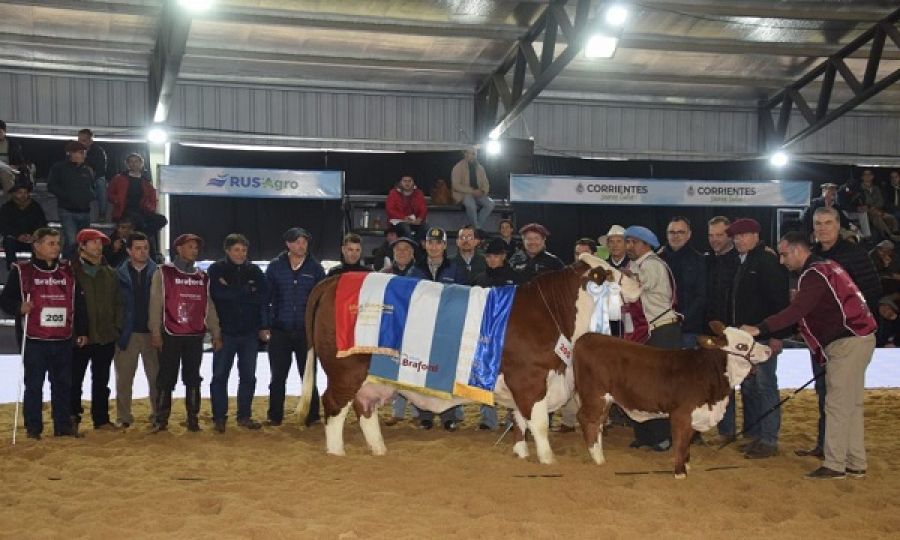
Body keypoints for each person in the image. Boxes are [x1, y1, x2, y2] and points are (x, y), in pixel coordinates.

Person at [742, 231, 877, 479]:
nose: (782, 260)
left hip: (846, 342)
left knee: (836, 405)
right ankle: (855, 461)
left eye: (784, 254)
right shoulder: (826, 267)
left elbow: (796, 311)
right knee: (850, 404)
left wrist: (759, 328)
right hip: (858, 338)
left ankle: (835, 464)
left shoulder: (814, 274)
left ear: (797, 250)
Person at [799, 206, 883, 458]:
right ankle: (825, 443)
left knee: (842, 398)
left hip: (848, 337)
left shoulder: (854, 253)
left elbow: (872, 290)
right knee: (823, 391)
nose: (823, 228)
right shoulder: (812, 255)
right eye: (818, 223)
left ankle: (837, 452)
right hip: (821, 337)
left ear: (838, 225)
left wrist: (854, 325)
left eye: (828, 223)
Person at [0, 228, 88, 439]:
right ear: (36, 246)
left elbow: (79, 302)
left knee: (63, 384)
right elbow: (5, 300)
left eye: (58, 243)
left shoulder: (68, 271)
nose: (56, 247)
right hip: (34, 339)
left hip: (63, 337)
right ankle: (33, 427)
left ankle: (62, 425)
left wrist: (83, 330)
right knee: (34, 385)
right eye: (51, 243)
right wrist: (19, 307)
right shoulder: (22, 272)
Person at [728, 218, 790, 459]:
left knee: (765, 386)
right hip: (747, 338)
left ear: (756, 235)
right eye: (736, 236)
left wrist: (777, 336)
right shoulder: (746, 261)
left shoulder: (766, 261)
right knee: (750, 385)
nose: (738, 240)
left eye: (743, 235)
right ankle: (755, 435)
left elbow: (780, 302)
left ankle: (768, 440)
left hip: (763, 337)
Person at [149, 233, 222, 433]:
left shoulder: (202, 277)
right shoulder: (163, 273)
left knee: (193, 377)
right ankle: (161, 419)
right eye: (190, 247)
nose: (194, 250)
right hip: (170, 334)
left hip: (194, 335)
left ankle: (193, 419)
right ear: (179, 249)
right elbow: (155, 304)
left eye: (196, 247)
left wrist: (216, 332)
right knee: (166, 377)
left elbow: (208, 307)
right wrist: (155, 331)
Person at [621, 225, 682, 451]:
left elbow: (635, 286)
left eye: (633, 242)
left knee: (659, 385)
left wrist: (616, 276)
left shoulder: (654, 265)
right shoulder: (634, 265)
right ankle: (645, 434)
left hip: (661, 330)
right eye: (627, 242)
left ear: (646, 244)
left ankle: (662, 436)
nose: (628, 246)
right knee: (640, 384)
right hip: (643, 331)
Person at [262, 227, 326, 427]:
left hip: (306, 332)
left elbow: (322, 301)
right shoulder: (275, 267)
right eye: (297, 242)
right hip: (280, 330)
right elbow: (265, 298)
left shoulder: (316, 268)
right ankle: (275, 416)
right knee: (277, 376)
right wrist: (264, 325)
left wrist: (317, 327)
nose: (301, 245)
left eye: (304, 242)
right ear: (288, 244)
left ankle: (312, 415)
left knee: (308, 375)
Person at [208, 234, 268, 433]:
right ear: (227, 250)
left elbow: (262, 298)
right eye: (236, 250)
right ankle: (219, 417)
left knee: (249, 376)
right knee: (220, 376)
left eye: (244, 250)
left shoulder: (255, 270)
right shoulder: (216, 269)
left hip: (249, 334)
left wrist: (232, 291)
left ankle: (244, 416)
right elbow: (217, 294)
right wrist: (247, 291)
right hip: (225, 333)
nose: (241, 254)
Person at [68, 228, 122, 432]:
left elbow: (118, 303)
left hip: (105, 335)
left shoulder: (110, 273)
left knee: (101, 380)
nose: (98, 246)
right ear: (82, 246)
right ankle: (72, 418)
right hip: (80, 336)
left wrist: (116, 327)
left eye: (100, 243)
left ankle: (101, 419)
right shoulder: (70, 272)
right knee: (74, 380)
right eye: (93, 242)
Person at [412, 226, 463, 430]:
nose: (434, 246)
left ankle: (448, 416)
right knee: (422, 370)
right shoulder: (415, 270)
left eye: (438, 243)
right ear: (425, 245)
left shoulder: (455, 269)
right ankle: (425, 415)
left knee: (446, 372)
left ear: (444, 246)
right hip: (422, 328)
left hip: (447, 329)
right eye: (430, 243)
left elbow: (463, 297)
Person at [473, 238, 521, 431]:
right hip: (485, 334)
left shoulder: (517, 278)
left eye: (496, 256)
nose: (492, 259)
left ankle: (513, 418)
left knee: (512, 376)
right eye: (489, 256)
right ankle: (488, 418)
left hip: (510, 333)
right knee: (485, 372)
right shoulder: (479, 279)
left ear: (504, 256)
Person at [113, 231, 159, 428]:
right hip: (127, 334)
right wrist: (117, 329)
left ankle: (158, 415)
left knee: (156, 379)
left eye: (146, 248)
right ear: (129, 251)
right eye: (138, 248)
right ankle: (124, 417)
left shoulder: (159, 273)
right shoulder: (117, 274)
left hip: (152, 334)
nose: (143, 252)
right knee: (124, 380)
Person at [705, 216, 742, 444]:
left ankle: (732, 431)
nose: (715, 240)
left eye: (719, 235)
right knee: (717, 380)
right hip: (711, 330)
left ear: (730, 236)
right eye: (711, 236)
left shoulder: (738, 262)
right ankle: (725, 429)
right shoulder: (708, 260)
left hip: (732, 331)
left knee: (732, 381)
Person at [382, 236, 426, 426]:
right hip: (392, 327)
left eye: (406, 249)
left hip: (415, 327)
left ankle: (417, 411)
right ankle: (397, 411)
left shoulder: (421, 275)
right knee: (394, 369)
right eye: (398, 249)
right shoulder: (384, 274)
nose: (402, 252)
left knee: (414, 368)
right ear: (393, 253)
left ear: (412, 253)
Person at [658, 216, 707, 349]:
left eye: (681, 232)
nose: (676, 236)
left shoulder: (699, 261)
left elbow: (701, 297)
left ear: (689, 234)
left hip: (688, 330)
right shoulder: (657, 260)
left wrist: (681, 318)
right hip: (659, 328)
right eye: (672, 232)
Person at [106, 153, 167, 258]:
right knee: (141, 224)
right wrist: (117, 200)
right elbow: (109, 194)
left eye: (136, 161)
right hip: (124, 211)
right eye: (131, 161)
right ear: (127, 164)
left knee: (162, 219)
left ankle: (142, 235)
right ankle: (146, 244)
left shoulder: (145, 181)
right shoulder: (119, 178)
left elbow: (152, 198)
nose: (134, 164)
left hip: (141, 210)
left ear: (141, 163)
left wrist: (150, 207)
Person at [47, 141, 94, 253]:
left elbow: (92, 186)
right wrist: (67, 196)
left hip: (85, 211)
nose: (83, 155)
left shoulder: (87, 169)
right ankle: (67, 262)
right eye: (80, 152)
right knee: (71, 241)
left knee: (83, 242)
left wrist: (90, 196)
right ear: (70, 153)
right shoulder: (59, 168)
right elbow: (51, 186)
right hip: (67, 210)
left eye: (84, 153)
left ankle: (76, 263)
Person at [0, 178, 47, 270]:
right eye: (20, 192)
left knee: (41, 241)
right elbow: (3, 226)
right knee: (8, 240)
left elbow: (42, 224)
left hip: (32, 239)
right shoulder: (7, 207)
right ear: (14, 194)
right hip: (15, 239)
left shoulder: (35, 207)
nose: (23, 195)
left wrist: (33, 236)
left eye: (25, 192)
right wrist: (18, 235)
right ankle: (12, 266)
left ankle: (37, 267)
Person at [451, 148, 495, 231]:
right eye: (469, 153)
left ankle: (476, 227)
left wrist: (483, 191)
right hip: (464, 194)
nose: (472, 156)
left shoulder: (480, 168)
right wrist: (472, 191)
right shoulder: (458, 167)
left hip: (478, 194)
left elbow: (486, 184)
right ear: (465, 154)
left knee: (490, 204)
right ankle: (477, 229)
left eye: (474, 154)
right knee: (470, 205)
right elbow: (455, 185)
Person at [385, 175, 428, 242]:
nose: (407, 183)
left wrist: (420, 218)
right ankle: (410, 245)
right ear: (400, 183)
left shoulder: (418, 193)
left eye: (409, 181)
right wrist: (404, 218)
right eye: (405, 181)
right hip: (398, 222)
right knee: (405, 228)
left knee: (425, 227)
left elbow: (423, 208)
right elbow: (390, 210)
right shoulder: (393, 193)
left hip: (414, 221)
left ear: (413, 183)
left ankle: (416, 246)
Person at [77, 129, 108, 221]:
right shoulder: (74, 151)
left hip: (95, 177)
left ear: (90, 141)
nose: (80, 143)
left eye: (83, 140)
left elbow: (101, 170)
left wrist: (90, 176)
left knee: (101, 182)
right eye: (79, 140)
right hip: (79, 177)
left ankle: (102, 214)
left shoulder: (99, 151)